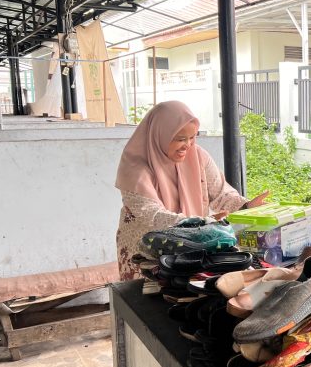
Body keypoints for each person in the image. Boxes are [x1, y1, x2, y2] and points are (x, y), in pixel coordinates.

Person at [115, 100, 268, 280]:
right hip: (146, 251)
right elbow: (153, 216)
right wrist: (198, 224)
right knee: (146, 301)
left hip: (191, 246)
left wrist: (245, 206)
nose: (188, 145)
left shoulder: (197, 156)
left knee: (185, 294)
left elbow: (221, 193)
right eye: (180, 139)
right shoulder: (135, 169)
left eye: (192, 137)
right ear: (159, 135)